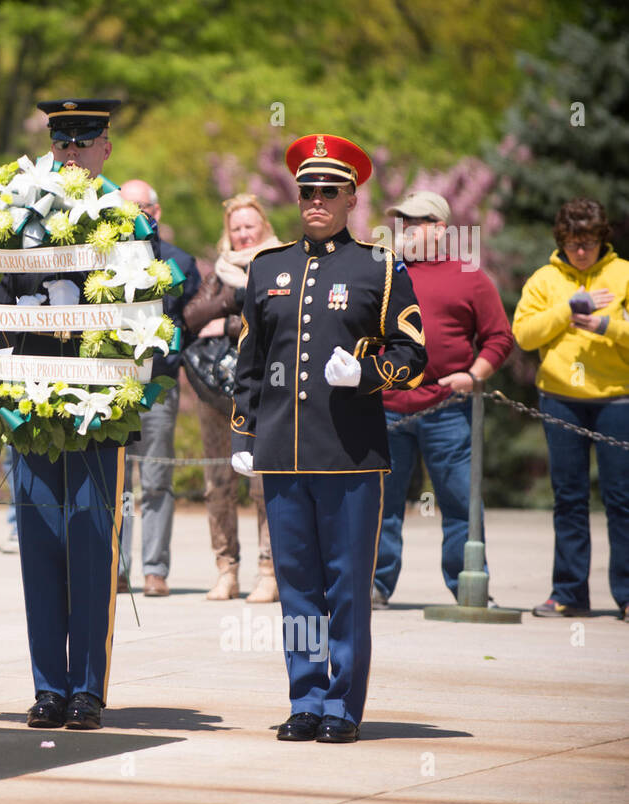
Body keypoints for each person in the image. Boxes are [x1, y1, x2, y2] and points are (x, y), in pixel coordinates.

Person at [231, 134, 427, 744]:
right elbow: (250, 360)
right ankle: (307, 697)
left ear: (351, 199)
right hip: (284, 454)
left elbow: (414, 352)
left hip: (349, 454)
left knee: (345, 585)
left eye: (328, 192)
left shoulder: (379, 267)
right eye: (307, 191)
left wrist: (366, 374)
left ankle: (342, 705)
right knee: (297, 588)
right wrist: (245, 429)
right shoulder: (268, 267)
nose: (315, 201)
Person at [0, 98, 149, 732]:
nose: (71, 152)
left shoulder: (125, 219)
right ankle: (47, 688)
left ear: (106, 148)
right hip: (30, 401)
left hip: (95, 406)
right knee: (39, 547)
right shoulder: (15, 214)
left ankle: (86, 689)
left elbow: (145, 307)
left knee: (89, 545)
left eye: (84, 141)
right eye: (62, 140)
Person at [374, 191, 514, 608]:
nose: (406, 229)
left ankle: (468, 587)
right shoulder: (382, 272)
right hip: (386, 408)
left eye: (415, 221)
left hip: (448, 409)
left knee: (458, 504)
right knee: (382, 505)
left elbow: (499, 337)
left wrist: (475, 376)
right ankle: (375, 587)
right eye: (403, 221)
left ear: (439, 228)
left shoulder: (468, 275)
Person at [513, 197, 629, 620]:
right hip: (561, 401)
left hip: (618, 400)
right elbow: (524, 334)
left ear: (603, 238)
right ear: (562, 240)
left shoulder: (623, 275)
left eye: (590, 243)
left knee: (622, 500)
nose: (582, 251)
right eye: (574, 243)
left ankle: (627, 595)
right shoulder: (544, 279)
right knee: (570, 499)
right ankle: (568, 593)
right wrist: (568, 309)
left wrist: (605, 325)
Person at [183, 193, 280, 602]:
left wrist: (224, 323)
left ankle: (268, 571)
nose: (242, 234)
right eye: (235, 228)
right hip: (215, 393)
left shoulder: (280, 264)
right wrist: (231, 303)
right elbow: (190, 318)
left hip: (261, 392)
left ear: (263, 228)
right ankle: (227, 569)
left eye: (249, 227)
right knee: (217, 482)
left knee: (262, 482)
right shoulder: (220, 272)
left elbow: (276, 321)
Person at [115, 179, 199, 597]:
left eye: (140, 209)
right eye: (124, 209)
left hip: (160, 387)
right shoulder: (103, 258)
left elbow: (196, 322)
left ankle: (154, 570)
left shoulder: (181, 263)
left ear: (156, 211)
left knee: (156, 480)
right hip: (112, 387)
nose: (133, 217)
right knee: (116, 484)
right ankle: (117, 567)